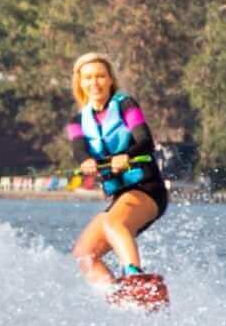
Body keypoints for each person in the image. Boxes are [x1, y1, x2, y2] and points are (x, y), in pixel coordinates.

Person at [65, 51, 167, 296]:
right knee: (84, 254)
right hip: (120, 196)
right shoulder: (76, 121)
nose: (94, 83)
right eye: (88, 78)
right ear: (79, 83)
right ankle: (116, 295)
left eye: (100, 76)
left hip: (146, 189)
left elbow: (145, 139)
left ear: (110, 79)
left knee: (113, 223)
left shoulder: (125, 105)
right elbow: (79, 150)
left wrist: (128, 155)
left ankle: (135, 277)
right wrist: (86, 162)